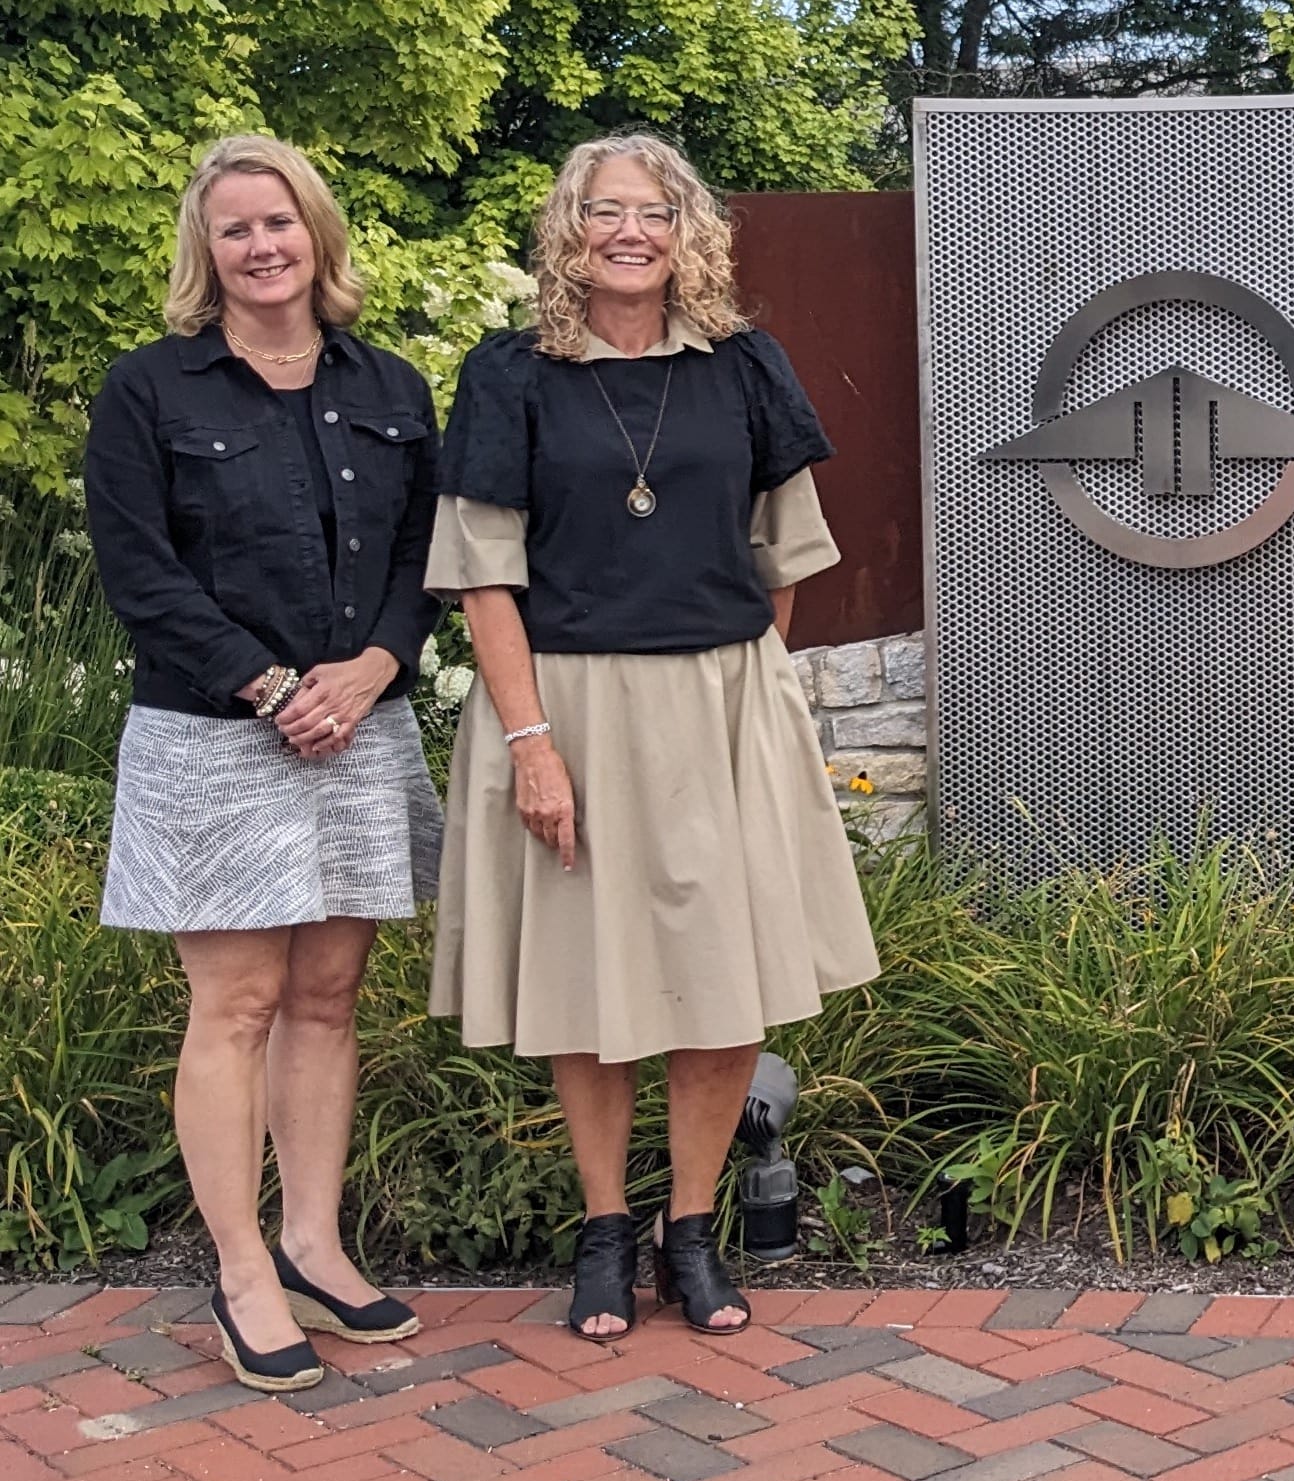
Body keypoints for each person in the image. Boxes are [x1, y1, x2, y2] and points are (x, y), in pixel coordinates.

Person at [426, 132, 878, 1341]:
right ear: (567, 232)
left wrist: (745, 685)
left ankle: (690, 1233)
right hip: (563, 701)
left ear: (691, 234)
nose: (629, 233)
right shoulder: (510, 373)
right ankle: (601, 1233)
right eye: (604, 212)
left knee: (719, 980)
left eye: (655, 213)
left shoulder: (743, 366)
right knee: (587, 974)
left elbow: (782, 556)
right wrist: (529, 739)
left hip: (720, 702)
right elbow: (482, 576)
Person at [82, 135, 440, 1392]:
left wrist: (374, 669)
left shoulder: (389, 383)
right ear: (207, 250)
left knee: (329, 998)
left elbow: (419, 561)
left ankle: (311, 1245)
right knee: (233, 1004)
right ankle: (240, 1269)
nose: (262, 246)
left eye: (279, 223)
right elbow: (140, 574)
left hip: (360, 726)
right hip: (215, 738)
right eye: (234, 228)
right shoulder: (151, 391)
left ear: (318, 236)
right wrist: (275, 684)